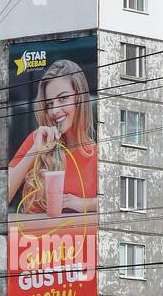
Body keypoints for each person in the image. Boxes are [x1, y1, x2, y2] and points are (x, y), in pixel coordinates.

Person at [7, 60, 98, 217]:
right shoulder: (37, 140)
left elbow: (122, 204)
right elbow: (1, 197)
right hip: (33, 240)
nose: (55, 110)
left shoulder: (97, 154)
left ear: (79, 97)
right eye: (49, 104)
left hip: (80, 240)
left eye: (63, 99)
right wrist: (34, 151)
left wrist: (86, 204)